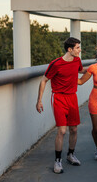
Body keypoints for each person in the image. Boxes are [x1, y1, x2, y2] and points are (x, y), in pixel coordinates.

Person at [36, 37, 84, 174]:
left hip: (72, 97)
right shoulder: (56, 64)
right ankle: (57, 161)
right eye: (78, 48)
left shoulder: (77, 61)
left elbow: (80, 70)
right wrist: (39, 100)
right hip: (58, 97)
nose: (80, 50)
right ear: (70, 49)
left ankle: (70, 155)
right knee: (62, 131)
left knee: (74, 129)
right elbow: (44, 80)